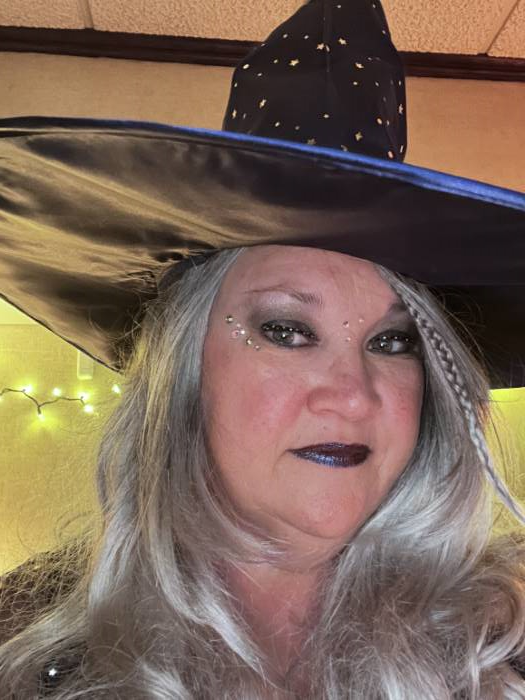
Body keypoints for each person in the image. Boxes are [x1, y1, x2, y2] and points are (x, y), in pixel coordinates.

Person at [0, 0, 524, 698]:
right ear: (185, 368)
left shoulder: (500, 648)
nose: (352, 395)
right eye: (285, 330)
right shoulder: (30, 649)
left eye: (392, 341)